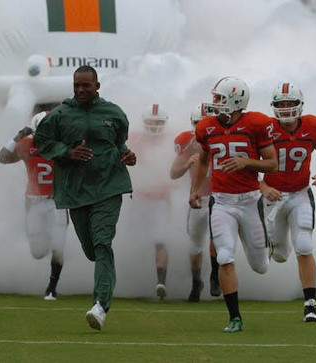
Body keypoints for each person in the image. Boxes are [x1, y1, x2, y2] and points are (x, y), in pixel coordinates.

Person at [34, 65, 136, 331]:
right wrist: (67, 152)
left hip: (109, 187)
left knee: (103, 243)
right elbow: (42, 143)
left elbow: (120, 143)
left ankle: (100, 306)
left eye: (86, 86)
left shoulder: (114, 113)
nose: (80, 90)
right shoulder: (59, 115)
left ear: (97, 86)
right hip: (75, 191)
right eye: (76, 85)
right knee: (91, 250)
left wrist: (128, 155)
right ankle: (103, 289)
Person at [190, 76, 278, 332]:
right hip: (222, 202)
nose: (215, 102)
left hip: (251, 201)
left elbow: (273, 163)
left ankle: (268, 243)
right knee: (225, 256)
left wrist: (246, 162)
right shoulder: (206, 126)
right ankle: (235, 317)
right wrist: (196, 189)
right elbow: (204, 161)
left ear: (236, 100)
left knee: (260, 266)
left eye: (219, 98)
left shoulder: (257, 124)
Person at [260, 82, 316, 323]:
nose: (284, 108)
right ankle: (272, 245)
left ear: (299, 105)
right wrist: (264, 187)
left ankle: (310, 303)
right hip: (274, 197)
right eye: (280, 104)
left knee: (304, 245)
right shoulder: (265, 129)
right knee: (281, 255)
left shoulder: (313, 126)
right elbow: (249, 168)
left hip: (301, 193)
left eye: (289, 103)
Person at [0, 111, 68, 301]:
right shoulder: (27, 145)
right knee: (37, 252)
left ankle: (52, 288)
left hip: (57, 201)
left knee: (59, 245)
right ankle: (43, 244)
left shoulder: (63, 145)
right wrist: (18, 136)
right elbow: (2, 157)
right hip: (34, 202)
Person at [170, 104, 221, 302]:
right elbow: (173, 173)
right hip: (198, 197)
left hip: (220, 197)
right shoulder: (187, 141)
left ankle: (215, 275)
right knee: (195, 246)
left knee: (217, 238)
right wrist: (186, 164)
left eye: (205, 123)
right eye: (198, 123)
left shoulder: (223, 139)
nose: (202, 127)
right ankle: (196, 281)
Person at [128, 103, 175, 300]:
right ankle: (132, 280)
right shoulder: (134, 139)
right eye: (151, 122)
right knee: (134, 240)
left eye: (158, 122)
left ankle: (160, 281)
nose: (154, 126)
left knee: (160, 239)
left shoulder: (173, 141)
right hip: (139, 198)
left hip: (161, 200)